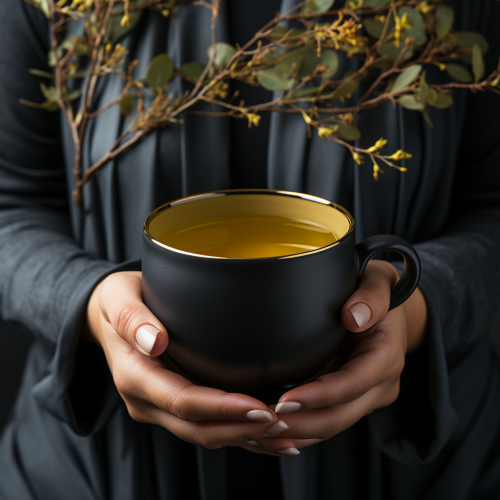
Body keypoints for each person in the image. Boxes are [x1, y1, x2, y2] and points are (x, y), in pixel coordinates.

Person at [1, 1, 500, 499]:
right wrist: (89, 305)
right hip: (88, 472)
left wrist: (412, 310)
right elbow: (10, 205)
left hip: (428, 475)